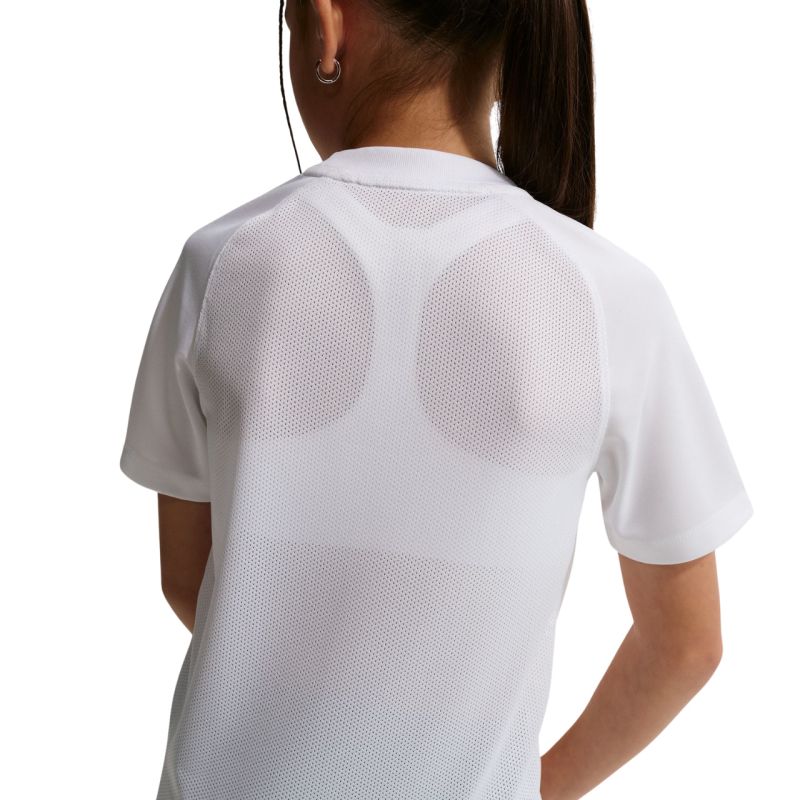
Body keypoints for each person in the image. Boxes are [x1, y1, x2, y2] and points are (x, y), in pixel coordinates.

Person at [119, 1, 755, 798]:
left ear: (326, 26)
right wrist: (534, 785)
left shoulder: (223, 265)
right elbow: (686, 642)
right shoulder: (607, 293)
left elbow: (193, 580)